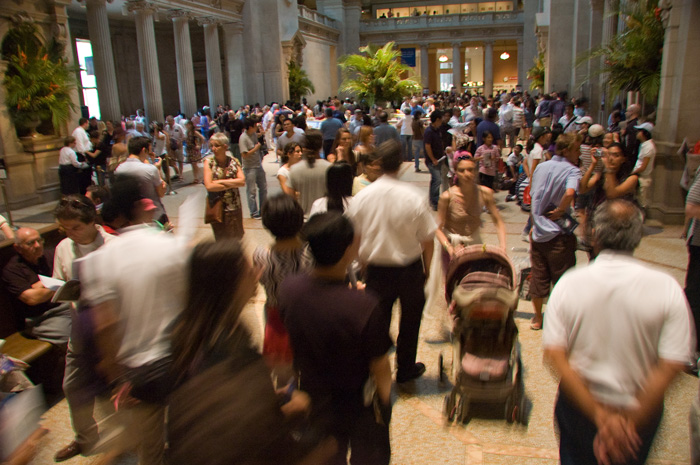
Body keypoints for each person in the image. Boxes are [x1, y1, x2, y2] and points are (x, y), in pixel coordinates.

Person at [543, 199, 694, 465]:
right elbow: (673, 364)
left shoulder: (569, 284)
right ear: (638, 237)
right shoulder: (666, 288)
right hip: (640, 413)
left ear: (596, 234)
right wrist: (628, 422)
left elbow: (554, 355)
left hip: (580, 409)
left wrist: (600, 417)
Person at [79, 175, 190, 465]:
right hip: (177, 360)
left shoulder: (100, 260)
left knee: (149, 448)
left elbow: (106, 326)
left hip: (139, 371)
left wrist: (118, 379)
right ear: (143, 206)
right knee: (186, 435)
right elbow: (189, 308)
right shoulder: (170, 247)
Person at [279, 212, 393, 465]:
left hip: (313, 397)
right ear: (347, 250)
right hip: (357, 403)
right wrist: (385, 403)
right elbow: (380, 367)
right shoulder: (365, 306)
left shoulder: (289, 289)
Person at [347, 139, 436, 384]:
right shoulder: (414, 196)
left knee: (376, 322)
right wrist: (427, 269)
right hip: (409, 270)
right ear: (399, 164)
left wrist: (362, 264)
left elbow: (354, 237)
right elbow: (428, 240)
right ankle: (405, 369)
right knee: (410, 322)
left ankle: (376, 369)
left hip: (376, 271)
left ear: (378, 163)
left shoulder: (363, 197)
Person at [51, 195, 115, 463]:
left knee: (119, 389)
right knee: (73, 387)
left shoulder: (115, 247)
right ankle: (85, 437)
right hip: (80, 328)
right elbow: (58, 281)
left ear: (92, 222)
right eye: (65, 229)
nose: (71, 234)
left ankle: (140, 436)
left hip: (113, 331)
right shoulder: (63, 248)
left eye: (76, 227)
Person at [529, 133, 582, 330]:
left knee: (538, 276)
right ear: (566, 150)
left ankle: (537, 318)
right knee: (562, 279)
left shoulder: (542, 166)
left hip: (538, 232)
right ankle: (560, 320)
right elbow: (570, 192)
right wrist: (561, 210)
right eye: (576, 149)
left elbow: (534, 194)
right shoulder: (573, 171)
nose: (579, 154)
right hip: (558, 233)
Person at [252, 194, 308, 376]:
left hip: (276, 317)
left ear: (267, 224)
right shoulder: (312, 252)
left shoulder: (261, 256)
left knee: (283, 375)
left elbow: (261, 281)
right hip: (308, 315)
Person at [1, 227, 71, 348]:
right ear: (18, 248)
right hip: (40, 318)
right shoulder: (12, 270)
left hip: (64, 305)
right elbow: (32, 299)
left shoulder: (49, 255)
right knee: (74, 334)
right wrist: (59, 282)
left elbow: (70, 276)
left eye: (39, 240)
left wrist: (41, 286)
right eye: (30, 243)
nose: (38, 245)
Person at [435, 154, 506, 268]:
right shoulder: (447, 197)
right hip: (452, 246)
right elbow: (438, 229)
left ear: (476, 171)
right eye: (462, 170)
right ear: (456, 173)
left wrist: (503, 247)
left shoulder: (485, 193)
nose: (466, 174)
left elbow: (498, 221)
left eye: (470, 170)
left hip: (474, 244)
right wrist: (449, 248)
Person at [114, 136, 168, 226]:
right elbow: (161, 192)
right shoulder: (150, 169)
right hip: (154, 215)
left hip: (133, 217)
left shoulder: (119, 169)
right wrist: (158, 169)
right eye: (149, 151)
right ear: (144, 150)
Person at [203, 132, 246, 239]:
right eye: (211, 146)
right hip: (217, 206)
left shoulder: (234, 161)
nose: (213, 149)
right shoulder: (209, 162)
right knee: (221, 239)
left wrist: (218, 183)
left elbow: (242, 181)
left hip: (234, 206)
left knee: (236, 237)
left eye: (217, 145)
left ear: (225, 146)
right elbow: (209, 186)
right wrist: (231, 183)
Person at [288, 129, 331, 216]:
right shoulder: (330, 168)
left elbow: (290, 197)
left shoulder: (294, 169)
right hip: (325, 219)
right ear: (320, 145)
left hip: (303, 220)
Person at [240, 118, 267, 219]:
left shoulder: (254, 134)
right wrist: (256, 148)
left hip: (258, 165)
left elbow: (260, 136)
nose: (257, 127)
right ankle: (254, 212)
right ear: (250, 127)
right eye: (255, 125)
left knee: (263, 188)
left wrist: (261, 130)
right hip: (249, 168)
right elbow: (244, 155)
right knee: (251, 191)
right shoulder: (243, 138)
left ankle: (263, 209)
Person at [630, 122, 656, 214]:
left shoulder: (649, 147)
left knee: (641, 202)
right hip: (639, 177)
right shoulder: (644, 145)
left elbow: (643, 166)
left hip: (643, 178)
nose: (637, 133)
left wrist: (633, 173)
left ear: (644, 133)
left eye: (639, 131)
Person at [424, 110, 446, 210]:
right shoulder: (429, 131)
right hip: (433, 161)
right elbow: (427, 146)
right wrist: (433, 159)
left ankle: (433, 199)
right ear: (437, 120)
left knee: (435, 180)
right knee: (437, 180)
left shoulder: (438, 130)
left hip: (439, 159)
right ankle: (435, 201)